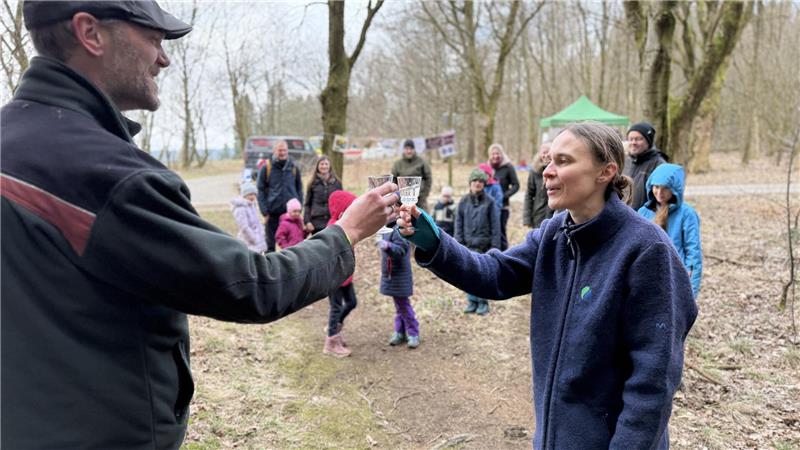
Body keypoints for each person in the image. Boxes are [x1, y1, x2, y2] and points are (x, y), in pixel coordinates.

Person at [0, 2, 400, 447]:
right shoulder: (114, 178)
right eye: (153, 40)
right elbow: (253, 286)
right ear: (90, 33)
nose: (164, 58)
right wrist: (346, 232)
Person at [398, 121, 697, 448]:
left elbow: (653, 382)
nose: (547, 171)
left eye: (564, 161)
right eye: (549, 160)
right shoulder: (557, 232)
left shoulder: (647, 250)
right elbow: (496, 274)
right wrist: (435, 243)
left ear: (605, 172)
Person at [638, 163, 703, 298]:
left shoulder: (687, 214)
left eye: (665, 188)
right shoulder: (643, 212)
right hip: (648, 281)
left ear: (675, 189)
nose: (659, 193)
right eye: (656, 187)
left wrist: (691, 292)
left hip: (676, 280)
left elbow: (693, 252)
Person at [455, 169, 501, 316]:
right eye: (475, 181)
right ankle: (472, 301)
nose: (477, 184)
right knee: (468, 274)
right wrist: (459, 243)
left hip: (485, 246)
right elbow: (458, 224)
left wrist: (495, 247)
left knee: (483, 275)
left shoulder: (490, 202)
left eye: (481, 181)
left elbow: (495, 226)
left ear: (484, 184)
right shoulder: (463, 202)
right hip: (467, 245)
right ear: (470, 183)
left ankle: (483, 302)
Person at [323, 190, 360, 357]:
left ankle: (335, 327)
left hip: (346, 275)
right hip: (335, 277)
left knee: (351, 302)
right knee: (336, 307)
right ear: (340, 211)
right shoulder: (333, 229)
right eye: (349, 208)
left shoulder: (347, 225)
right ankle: (331, 341)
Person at [257, 139, 304, 252]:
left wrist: (299, 207)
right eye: (279, 150)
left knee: (293, 246)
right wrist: (264, 211)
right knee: (270, 246)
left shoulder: (293, 167)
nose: (282, 153)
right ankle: (270, 268)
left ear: (287, 151)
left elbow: (300, 189)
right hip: (272, 212)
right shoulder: (266, 167)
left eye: (284, 150)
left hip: (290, 214)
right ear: (274, 151)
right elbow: (260, 190)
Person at [379, 226, 420, 349]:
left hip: (400, 275)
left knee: (403, 305)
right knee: (399, 306)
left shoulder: (398, 230)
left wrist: (387, 246)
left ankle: (413, 333)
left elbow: (401, 251)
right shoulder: (386, 229)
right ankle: (400, 332)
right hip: (391, 275)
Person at [624, 122, 667, 210]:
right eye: (630, 139)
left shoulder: (659, 164)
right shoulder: (625, 162)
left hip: (646, 218)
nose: (633, 142)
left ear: (648, 141)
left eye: (638, 139)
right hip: (623, 216)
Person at [488, 143, 520, 250]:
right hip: (488, 206)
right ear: (490, 155)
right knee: (490, 232)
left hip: (503, 207)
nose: (495, 156)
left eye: (498, 153)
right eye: (493, 154)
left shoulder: (508, 167)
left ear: (502, 154)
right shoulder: (487, 168)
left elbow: (516, 185)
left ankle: (505, 256)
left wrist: (504, 196)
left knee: (500, 233)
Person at [304, 155, 342, 235]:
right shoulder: (312, 184)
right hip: (316, 223)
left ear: (330, 166)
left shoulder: (337, 183)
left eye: (326, 164)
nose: (324, 166)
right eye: (321, 164)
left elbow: (341, 203)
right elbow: (307, 204)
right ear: (318, 166)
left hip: (332, 222)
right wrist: (307, 221)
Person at [392, 139, 433, 211]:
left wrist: (424, 194)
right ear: (404, 150)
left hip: (419, 198)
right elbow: (393, 180)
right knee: (403, 219)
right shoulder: (398, 164)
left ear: (414, 150)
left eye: (411, 149)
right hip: (403, 199)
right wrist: (397, 195)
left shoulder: (421, 162)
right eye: (407, 149)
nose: (409, 151)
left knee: (423, 219)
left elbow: (428, 178)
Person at [523, 142, 554, 229]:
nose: (546, 155)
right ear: (539, 154)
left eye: (548, 152)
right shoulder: (534, 171)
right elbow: (529, 194)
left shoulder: (557, 170)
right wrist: (527, 218)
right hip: (538, 216)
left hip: (554, 215)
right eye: (544, 152)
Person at [231, 181, 267, 253]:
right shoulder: (241, 208)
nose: (253, 196)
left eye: (254, 194)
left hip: (257, 241)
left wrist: (262, 233)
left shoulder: (251, 205)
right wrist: (254, 238)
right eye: (250, 194)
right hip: (249, 242)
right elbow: (244, 227)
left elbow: (257, 222)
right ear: (244, 195)